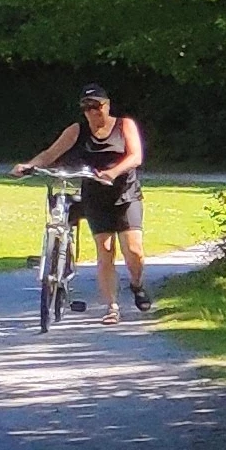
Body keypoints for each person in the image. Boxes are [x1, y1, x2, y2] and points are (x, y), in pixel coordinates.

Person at [12, 84, 148, 326]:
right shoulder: (77, 130)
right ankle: (112, 307)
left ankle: (136, 285)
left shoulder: (124, 125)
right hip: (95, 196)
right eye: (86, 107)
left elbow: (135, 156)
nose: (92, 112)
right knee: (105, 251)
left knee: (133, 251)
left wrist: (113, 172)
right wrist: (29, 166)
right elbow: (50, 154)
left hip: (125, 195)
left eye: (96, 106)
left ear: (107, 106)